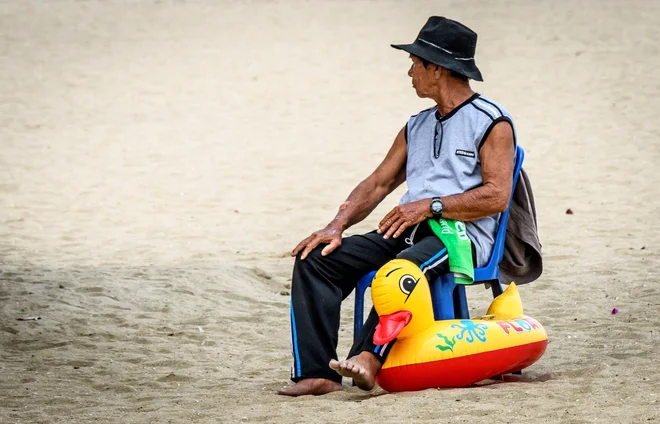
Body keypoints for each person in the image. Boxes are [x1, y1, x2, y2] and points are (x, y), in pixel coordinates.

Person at [278, 16, 516, 397]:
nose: (410, 72)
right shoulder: (416, 125)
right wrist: (335, 225)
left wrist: (431, 206)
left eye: (415, 63)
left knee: (400, 270)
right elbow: (378, 183)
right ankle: (317, 372)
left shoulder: (491, 122)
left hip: (460, 237)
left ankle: (370, 355)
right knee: (315, 259)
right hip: (406, 229)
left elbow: (496, 195)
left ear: (436, 68)